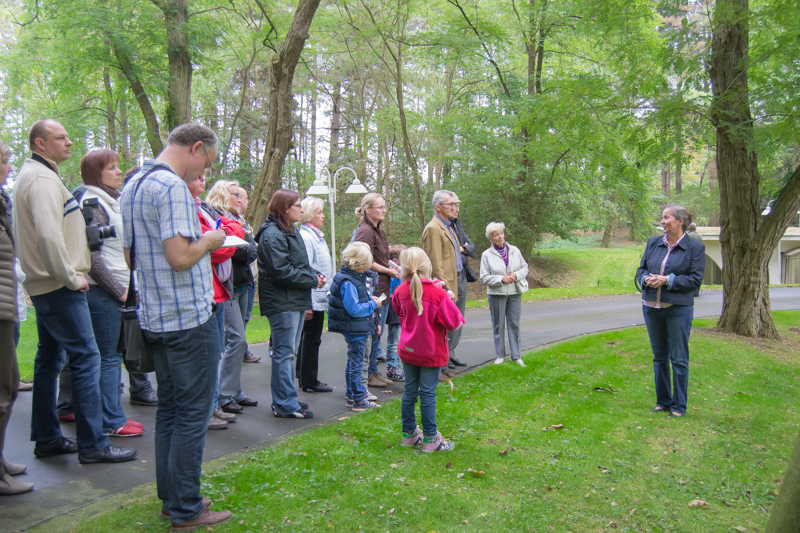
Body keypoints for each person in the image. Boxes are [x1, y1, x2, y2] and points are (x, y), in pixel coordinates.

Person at [121, 123, 232, 529]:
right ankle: (187, 508)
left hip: (155, 315)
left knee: (170, 409)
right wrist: (212, 239)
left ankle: (172, 497)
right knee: (192, 414)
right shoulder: (171, 187)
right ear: (196, 148)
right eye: (207, 161)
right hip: (187, 318)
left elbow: (131, 254)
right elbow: (181, 257)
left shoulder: (134, 184)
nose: (204, 170)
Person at [14, 118, 137, 464]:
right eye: (60, 137)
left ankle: (48, 438)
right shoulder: (41, 179)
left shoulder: (39, 175)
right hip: (58, 285)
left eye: (68, 136)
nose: (69, 142)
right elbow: (48, 236)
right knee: (87, 357)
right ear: (40, 144)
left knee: (49, 358)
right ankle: (94, 444)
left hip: (46, 284)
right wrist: (71, 277)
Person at [79, 149, 143, 437]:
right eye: (111, 168)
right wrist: (119, 291)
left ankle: (114, 414)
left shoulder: (111, 201)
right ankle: (111, 420)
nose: (119, 172)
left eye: (118, 166)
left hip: (119, 288)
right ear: (96, 174)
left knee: (113, 355)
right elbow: (93, 259)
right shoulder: (92, 203)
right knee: (108, 357)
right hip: (104, 292)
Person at [256, 189, 325, 419]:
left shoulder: (290, 231)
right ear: (285, 209)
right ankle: (284, 404)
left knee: (288, 353)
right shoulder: (272, 234)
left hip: (294, 299)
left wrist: (314, 274)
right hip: (281, 301)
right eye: (298, 205)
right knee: (284, 354)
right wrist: (312, 280)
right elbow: (281, 271)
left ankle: (288, 398)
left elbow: (299, 264)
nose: (302, 210)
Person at [392, 247, 464, 452]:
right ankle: (431, 438)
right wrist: (446, 295)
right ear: (427, 266)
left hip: (408, 349)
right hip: (430, 352)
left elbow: (398, 310)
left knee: (409, 391)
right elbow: (455, 322)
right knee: (427, 394)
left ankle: (409, 434)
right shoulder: (438, 294)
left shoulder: (400, 290)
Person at [636, 204, 704, 418]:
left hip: (678, 310)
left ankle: (678, 407)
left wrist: (667, 280)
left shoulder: (695, 248)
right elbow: (641, 269)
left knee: (679, 359)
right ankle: (663, 402)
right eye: (662, 218)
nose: (662, 221)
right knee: (659, 357)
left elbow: (695, 280)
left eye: (666, 217)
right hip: (651, 308)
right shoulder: (653, 243)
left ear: (680, 221)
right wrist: (645, 279)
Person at [190, 176, 243, 430]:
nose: (203, 179)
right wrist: (227, 232)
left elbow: (230, 238)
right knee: (205, 355)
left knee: (215, 352)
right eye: (197, 176)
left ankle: (212, 406)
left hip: (218, 289)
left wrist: (226, 232)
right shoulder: (191, 211)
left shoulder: (203, 209)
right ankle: (204, 410)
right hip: (207, 290)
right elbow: (217, 250)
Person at [205, 180, 258, 416]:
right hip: (227, 285)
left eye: (240, 195)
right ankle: (223, 395)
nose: (239, 199)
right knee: (235, 338)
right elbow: (234, 250)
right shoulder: (217, 219)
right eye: (234, 194)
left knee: (238, 339)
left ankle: (235, 391)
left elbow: (251, 248)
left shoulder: (240, 220)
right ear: (222, 195)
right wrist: (245, 247)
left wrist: (246, 247)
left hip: (243, 281)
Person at [0, 139, 33, 495]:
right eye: (4, 162)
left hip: (5, 306)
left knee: (8, 386)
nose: (9, 168)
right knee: (1, 392)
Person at [352, 193, 402, 387]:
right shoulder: (365, 232)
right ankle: (370, 374)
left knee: (378, 331)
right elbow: (365, 261)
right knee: (374, 331)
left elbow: (382, 257)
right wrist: (388, 270)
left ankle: (374, 370)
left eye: (384, 207)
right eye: (380, 207)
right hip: (373, 289)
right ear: (368, 210)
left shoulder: (378, 230)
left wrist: (394, 266)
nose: (384, 210)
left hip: (383, 287)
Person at [327, 242, 383, 411]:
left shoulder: (348, 277)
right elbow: (354, 309)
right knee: (356, 365)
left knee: (353, 363)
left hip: (353, 327)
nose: (367, 269)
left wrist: (369, 300)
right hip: (355, 328)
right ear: (358, 264)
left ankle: (351, 396)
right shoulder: (349, 282)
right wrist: (373, 305)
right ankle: (359, 400)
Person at [421, 190, 461, 382]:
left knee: (449, 326)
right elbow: (435, 263)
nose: (455, 208)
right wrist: (446, 288)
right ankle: (435, 369)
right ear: (438, 207)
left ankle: (443, 365)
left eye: (456, 204)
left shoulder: (448, 226)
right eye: (451, 204)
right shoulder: (433, 228)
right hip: (444, 285)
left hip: (456, 279)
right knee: (438, 329)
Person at [479, 222, 530, 366]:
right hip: (497, 294)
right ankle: (500, 355)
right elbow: (483, 277)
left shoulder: (514, 250)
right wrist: (501, 279)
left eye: (501, 233)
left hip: (514, 292)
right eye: (496, 235)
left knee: (514, 324)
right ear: (490, 238)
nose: (500, 237)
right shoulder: (486, 255)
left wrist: (515, 275)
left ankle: (516, 356)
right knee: (498, 325)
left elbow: (525, 268)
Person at [297, 196, 334, 393]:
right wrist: (308, 303)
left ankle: (303, 374)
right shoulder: (307, 237)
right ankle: (309, 379)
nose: (323, 216)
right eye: (319, 212)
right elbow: (307, 269)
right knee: (311, 339)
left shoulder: (315, 236)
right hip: (313, 296)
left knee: (309, 338)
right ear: (310, 214)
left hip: (319, 295)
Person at [231, 187, 260, 364]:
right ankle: (240, 351)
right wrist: (252, 248)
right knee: (238, 320)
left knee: (245, 317)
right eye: (246, 198)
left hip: (250, 276)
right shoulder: (232, 223)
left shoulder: (243, 221)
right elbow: (245, 250)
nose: (248, 202)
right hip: (239, 278)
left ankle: (243, 350)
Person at [449, 206, 477, 367]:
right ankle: (445, 353)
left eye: (458, 207)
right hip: (450, 276)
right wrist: (459, 248)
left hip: (462, 276)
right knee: (449, 315)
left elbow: (472, 248)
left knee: (459, 315)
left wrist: (462, 248)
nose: (456, 210)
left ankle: (451, 352)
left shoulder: (457, 226)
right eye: (453, 206)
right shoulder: (440, 228)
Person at [384, 244, 407, 375]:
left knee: (399, 339)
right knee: (394, 340)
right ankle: (392, 367)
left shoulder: (404, 273)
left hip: (400, 308)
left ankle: (396, 365)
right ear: (395, 261)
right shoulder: (392, 275)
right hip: (394, 309)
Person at [686, 222, 703, 297]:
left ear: (689, 228)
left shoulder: (687, 235)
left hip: (690, 256)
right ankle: (696, 291)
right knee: (697, 274)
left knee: (689, 273)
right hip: (698, 256)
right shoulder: (699, 236)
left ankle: (690, 291)